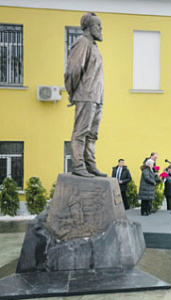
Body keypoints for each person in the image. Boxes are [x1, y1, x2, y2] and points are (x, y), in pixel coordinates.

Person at [65, 12, 106, 178]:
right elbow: (73, 70)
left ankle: (90, 164)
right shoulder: (82, 42)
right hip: (85, 94)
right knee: (81, 132)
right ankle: (78, 165)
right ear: (88, 27)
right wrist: (72, 91)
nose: (100, 28)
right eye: (97, 25)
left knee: (92, 134)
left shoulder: (93, 45)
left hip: (97, 96)